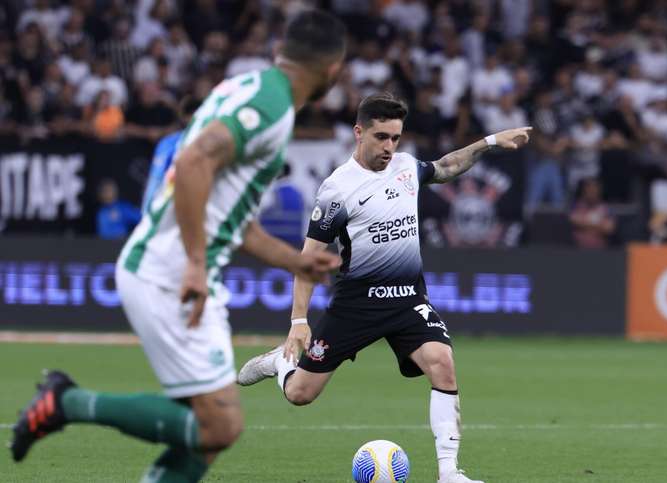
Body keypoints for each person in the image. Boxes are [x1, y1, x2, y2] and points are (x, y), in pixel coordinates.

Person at [10, 10, 348, 482]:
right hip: (171, 271)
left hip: (173, 265)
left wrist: (294, 260)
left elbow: (233, 218)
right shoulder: (271, 107)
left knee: (202, 435)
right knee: (221, 423)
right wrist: (194, 264)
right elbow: (191, 163)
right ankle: (64, 402)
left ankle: (65, 403)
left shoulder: (247, 89)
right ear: (333, 70)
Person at [237, 92, 531, 483]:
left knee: (442, 363)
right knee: (301, 394)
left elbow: (446, 166)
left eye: (395, 138)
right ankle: (281, 364)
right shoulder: (336, 190)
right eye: (381, 137)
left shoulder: (406, 167)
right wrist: (298, 320)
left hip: (408, 299)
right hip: (356, 305)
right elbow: (307, 258)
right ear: (359, 133)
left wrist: (491, 141)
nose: (389, 147)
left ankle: (449, 473)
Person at [141, 95, 199, 213]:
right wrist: (146, 212)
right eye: (191, 115)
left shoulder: (212, 144)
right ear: (184, 117)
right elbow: (156, 179)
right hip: (173, 207)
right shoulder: (170, 143)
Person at [569, 177, 615, 249]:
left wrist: (585, 224)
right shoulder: (577, 206)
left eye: (594, 189)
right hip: (578, 250)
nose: (592, 192)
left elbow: (609, 228)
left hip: (600, 251)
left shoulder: (606, 208)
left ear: (599, 191)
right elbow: (574, 221)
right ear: (584, 191)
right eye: (589, 189)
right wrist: (599, 225)